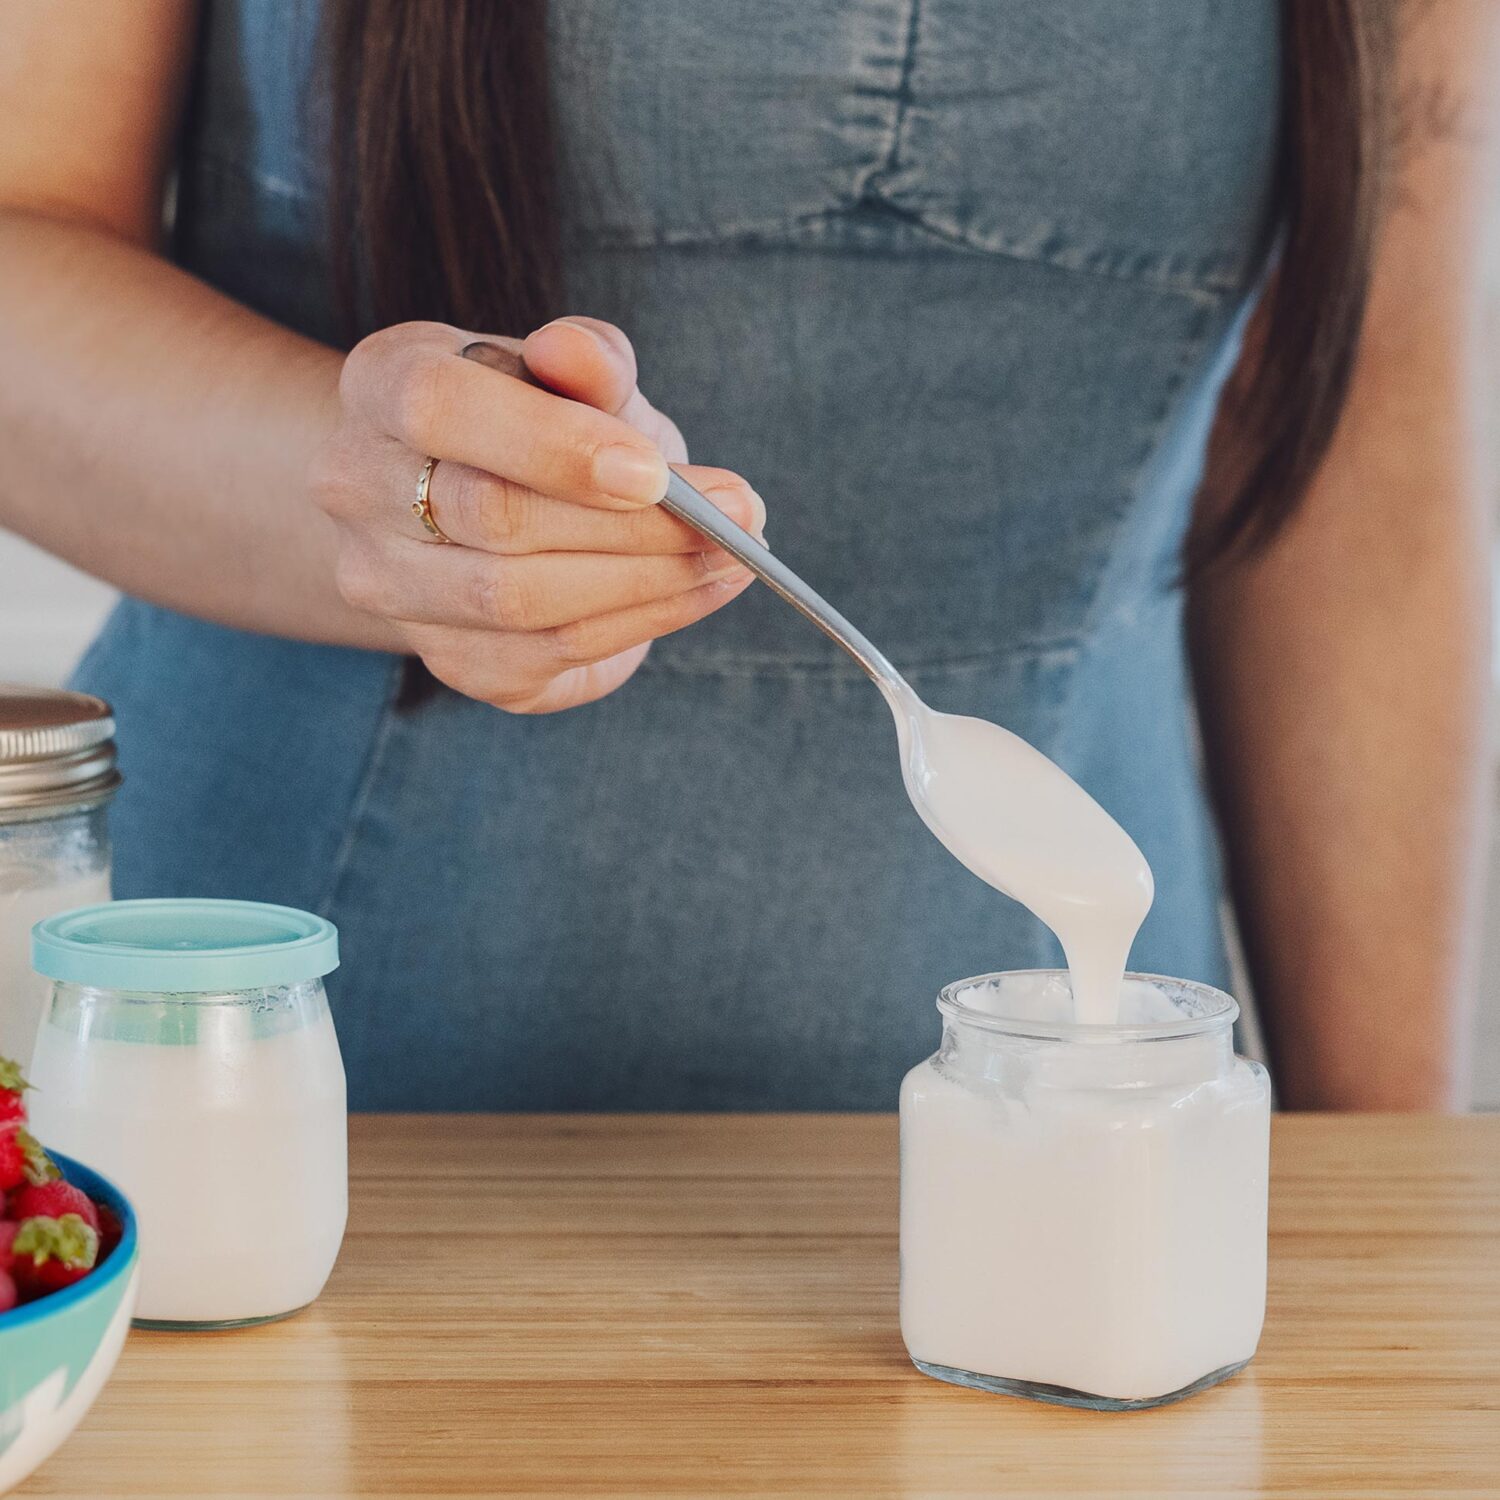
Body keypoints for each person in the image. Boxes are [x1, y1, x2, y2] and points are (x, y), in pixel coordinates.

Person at [0, 2, 1492, 1110]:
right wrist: (370, 487)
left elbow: (1372, 429)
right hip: (263, 1061)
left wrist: (1402, 1193)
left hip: (1098, 1110)